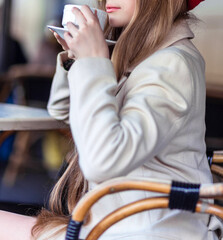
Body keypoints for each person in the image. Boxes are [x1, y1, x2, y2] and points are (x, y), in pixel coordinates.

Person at [0, 0, 223, 239]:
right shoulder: (146, 56)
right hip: (122, 222)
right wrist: (78, 57)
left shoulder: (172, 63)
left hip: (144, 230)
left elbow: (101, 161)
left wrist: (93, 62)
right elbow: (62, 111)